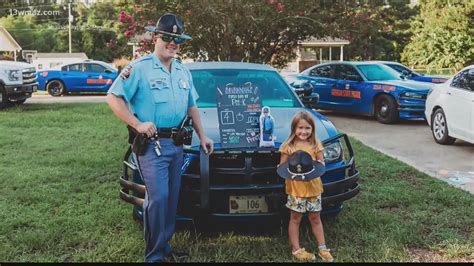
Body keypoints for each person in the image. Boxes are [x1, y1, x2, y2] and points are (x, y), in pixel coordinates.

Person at [106, 13, 214, 263]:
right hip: (151, 147)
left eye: (177, 39)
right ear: (155, 37)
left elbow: (192, 106)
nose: (173, 43)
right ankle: (154, 256)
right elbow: (113, 97)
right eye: (167, 37)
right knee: (158, 199)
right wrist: (137, 123)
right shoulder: (140, 68)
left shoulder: (182, 71)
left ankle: (165, 248)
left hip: (177, 146)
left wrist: (203, 135)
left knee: (171, 199)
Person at [277, 110, 334, 262]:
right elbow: (282, 166)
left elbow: (321, 163)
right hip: (296, 190)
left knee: (315, 218)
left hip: (314, 189)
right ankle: (296, 250)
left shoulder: (316, 144)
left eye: (307, 128)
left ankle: (323, 248)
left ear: (312, 129)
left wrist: (316, 167)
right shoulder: (288, 146)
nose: (304, 131)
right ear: (294, 128)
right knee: (295, 218)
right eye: (300, 128)